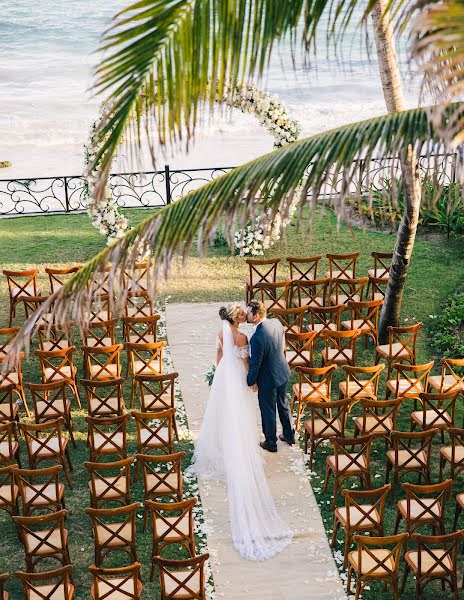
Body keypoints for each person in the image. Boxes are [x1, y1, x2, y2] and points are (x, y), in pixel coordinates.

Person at [188, 302, 292, 561]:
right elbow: (247, 361)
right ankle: (281, 435)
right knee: (269, 408)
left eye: (248, 312)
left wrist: (219, 374)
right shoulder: (259, 331)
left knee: (224, 412)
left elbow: (221, 356)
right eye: (242, 313)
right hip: (266, 374)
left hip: (225, 377)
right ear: (237, 319)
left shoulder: (222, 332)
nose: (245, 315)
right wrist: (250, 382)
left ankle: (245, 441)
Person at [246, 299, 295, 452]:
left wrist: (250, 381)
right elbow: (282, 345)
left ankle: (270, 442)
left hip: (268, 379)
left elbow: (256, 363)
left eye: (248, 313)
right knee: (283, 404)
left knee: (268, 410)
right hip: (282, 372)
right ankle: (289, 435)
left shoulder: (257, 338)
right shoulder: (276, 323)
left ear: (255, 316)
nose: (246, 315)